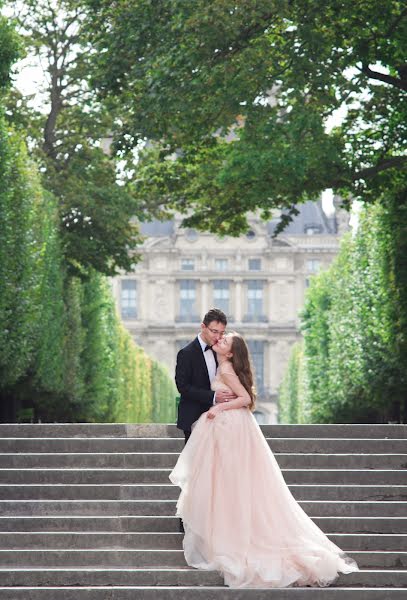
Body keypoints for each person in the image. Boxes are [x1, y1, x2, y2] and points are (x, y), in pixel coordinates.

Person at [169, 332, 359, 588]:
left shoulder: (225, 368)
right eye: (219, 337)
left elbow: (245, 399)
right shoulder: (223, 363)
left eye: (224, 341)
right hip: (229, 427)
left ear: (231, 353)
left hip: (228, 426)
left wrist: (217, 408)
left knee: (226, 480)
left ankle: (230, 535)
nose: (219, 341)